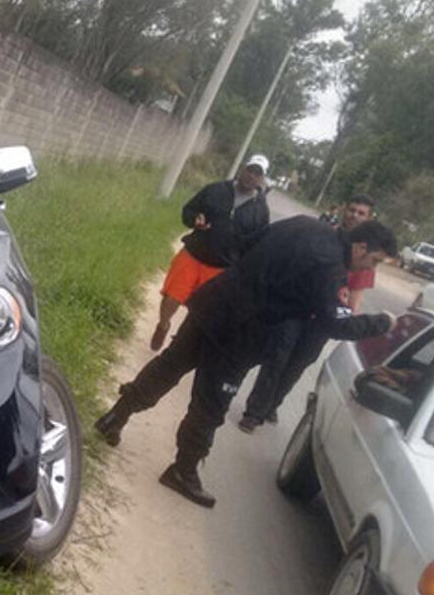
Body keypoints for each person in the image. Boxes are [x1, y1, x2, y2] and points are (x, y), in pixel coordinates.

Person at [95, 217, 398, 508]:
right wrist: (381, 323)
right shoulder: (330, 268)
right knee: (212, 403)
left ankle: (114, 417)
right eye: (374, 261)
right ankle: (183, 472)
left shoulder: (303, 223)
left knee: (168, 366)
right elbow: (337, 324)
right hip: (241, 332)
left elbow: (245, 243)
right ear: (360, 247)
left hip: (215, 301)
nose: (370, 267)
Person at [238, 193, 378, 432]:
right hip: (298, 308)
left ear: (370, 218)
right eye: (352, 209)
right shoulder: (326, 233)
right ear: (344, 210)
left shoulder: (368, 257)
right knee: (277, 358)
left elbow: (355, 298)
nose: (354, 215)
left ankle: (272, 404)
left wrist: (343, 322)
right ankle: (254, 412)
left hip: (324, 320)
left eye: (361, 213)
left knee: (298, 364)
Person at [148, 155, 272, 352]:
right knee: (172, 297)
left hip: (221, 269)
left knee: (201, 312)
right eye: (250, 169)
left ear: (262, 179)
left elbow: (257, 245)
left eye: (258, 173)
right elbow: (188, 211)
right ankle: (163, 325)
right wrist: (194, 219)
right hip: (193, 255)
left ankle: (179, 343)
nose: (252, 175)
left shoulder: (261, 211)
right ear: (242, 168)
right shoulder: (215, 190)